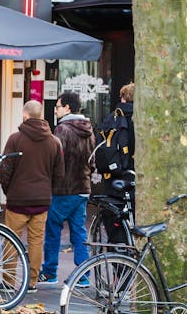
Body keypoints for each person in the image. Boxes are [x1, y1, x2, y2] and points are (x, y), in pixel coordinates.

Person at [1, 100, 65, 293]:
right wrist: (49, 192)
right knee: (36, 242)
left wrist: (8, 191)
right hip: (42, 200)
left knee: (11, 240)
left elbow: (5, 170)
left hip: (17, 200)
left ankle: (8, 280)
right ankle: (32, 282)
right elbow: (59, 174)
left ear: (25, 116)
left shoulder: (15, 139)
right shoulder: (54, 141)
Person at [39, 92, 94, 286]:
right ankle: (84, 275)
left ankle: (49, 272)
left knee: (53, 229)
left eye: (58, 106)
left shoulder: (62, 130)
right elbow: (92, 160)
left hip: (63, 189)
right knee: (79, 232)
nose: (56, 109)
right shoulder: (88, 129)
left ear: (68, 108)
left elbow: (55, 159)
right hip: (82, 188)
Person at [98, 82, 136, 243]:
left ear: (123, 98)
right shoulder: (142, 119)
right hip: (135, 177)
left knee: (114, 223)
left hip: (113, 179)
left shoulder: (111, 118)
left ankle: (118, 261)